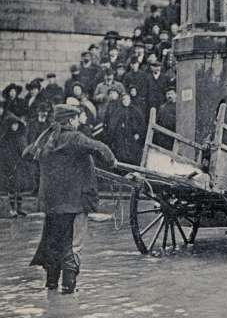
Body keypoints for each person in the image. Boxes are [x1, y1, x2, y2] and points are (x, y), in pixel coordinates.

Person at [26, 104, 116, 294]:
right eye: (76, 118)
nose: (77, 121)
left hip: (52, 204)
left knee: (54, 242)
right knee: (74, 244)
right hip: (75, 203)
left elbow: (27, 154)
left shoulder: (47, 138)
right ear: (69, 120)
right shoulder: (74, 137)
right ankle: (68, 288)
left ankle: (51, 285)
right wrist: (112, 162)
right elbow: (101, 149)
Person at [0, 102, 28, 217]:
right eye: (13, 124)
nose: (15, 126)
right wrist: (10, 163)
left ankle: (19, 208)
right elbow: (4, 153)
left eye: (17, 124)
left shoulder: (20, 137)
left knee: (19, 187)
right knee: (11, 187)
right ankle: (12, 209)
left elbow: (24, 150)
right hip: (9, 165)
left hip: (19, 164)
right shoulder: (5, 139)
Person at [107, 94, 146, 165]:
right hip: (120, 136)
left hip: (132, 136)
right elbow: (112, 125)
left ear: (130, 100)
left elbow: (141, 124)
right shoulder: (117, 111)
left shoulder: (135, 111)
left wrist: (138, 133)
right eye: (124, 99)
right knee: (121, 154)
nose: (126, 101)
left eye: (127, 99)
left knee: (133, 153)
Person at [154, 86, 177, 151]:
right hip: (163, 135)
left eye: (171, 94)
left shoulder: (179, 107)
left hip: (173, 135)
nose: (169, 96)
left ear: (176, 95)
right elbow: (157, 121)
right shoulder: (163, 107)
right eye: (168, 94)